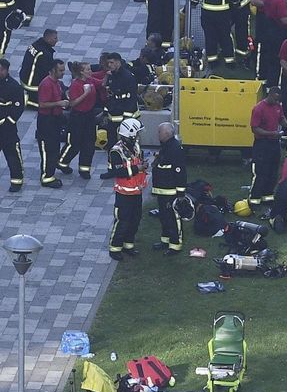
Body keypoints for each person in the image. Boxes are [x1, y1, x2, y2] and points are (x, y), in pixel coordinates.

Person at [106, 117, 147, 259]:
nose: (138, 136)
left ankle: (128, 245)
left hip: (136, 191)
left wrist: (142, 165)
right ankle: (115, 248)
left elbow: (137, 161)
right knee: (122, 221)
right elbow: (117, 172)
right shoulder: (116, 151)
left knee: (135, 219)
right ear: (130, 134)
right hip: (124, 194)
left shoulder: (135, 146)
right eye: (137, 133)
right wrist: (138, 168)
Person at [147, 121, 189, 254]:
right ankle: (165, 241)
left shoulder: (175, 149)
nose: (158, 134)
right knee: (164, 217)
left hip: (171, 192)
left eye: (159, 132)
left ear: (166, 133)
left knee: (173, 218)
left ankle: (175, 245)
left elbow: (180, 171)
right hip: (162, 191)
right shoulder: (166, 146)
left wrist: (180, 193)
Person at [0, 58, 26, 192]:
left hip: (7, 129)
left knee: (12, 155)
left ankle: (16, 181)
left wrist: (8, 121)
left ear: (5, 70)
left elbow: (18, 107)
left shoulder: (14, 87)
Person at [58, 60, 100, 178]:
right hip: (77, 117)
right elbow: (73, 103)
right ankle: (61, 162)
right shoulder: (75, 85)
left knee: (89, 143)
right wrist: (85, 93)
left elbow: (101, 83)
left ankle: (84, 169)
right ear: (81, 72)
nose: (90, 71)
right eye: (88, 69)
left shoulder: (90, 80)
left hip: (89, 116)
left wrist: (107, 75)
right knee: (74, 143)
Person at [249, 86, 285, 208]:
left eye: (278, 100)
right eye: (275, 99)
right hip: (262, 144)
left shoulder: (278, 106)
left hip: (274, 143)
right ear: (269, 95)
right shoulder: (258, 109)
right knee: (261, 172)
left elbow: (281, 118)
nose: (276, 102)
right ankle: (254, 198)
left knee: (273, 171)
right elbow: (255, 128)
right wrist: (271, 133)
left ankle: (268, 196)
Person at [35, 59, 69, 188]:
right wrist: (59, 103)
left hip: (55, 119)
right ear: (53, 70)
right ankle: (46, 177)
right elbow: (42, 104)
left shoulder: (57, 83)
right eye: (60, 70)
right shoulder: (46, 84)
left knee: (54, 148)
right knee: (47, 150)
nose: (63, 73)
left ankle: (50, 173)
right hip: (46, 121)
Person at [18, 29, 59, 109]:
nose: (57, 40)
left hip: (24, 77)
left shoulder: (35, 45)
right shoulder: (44, 54)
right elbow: (46, 73)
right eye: (55, 38)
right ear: (48, 38)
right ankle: (28, 101)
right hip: (32, 85)